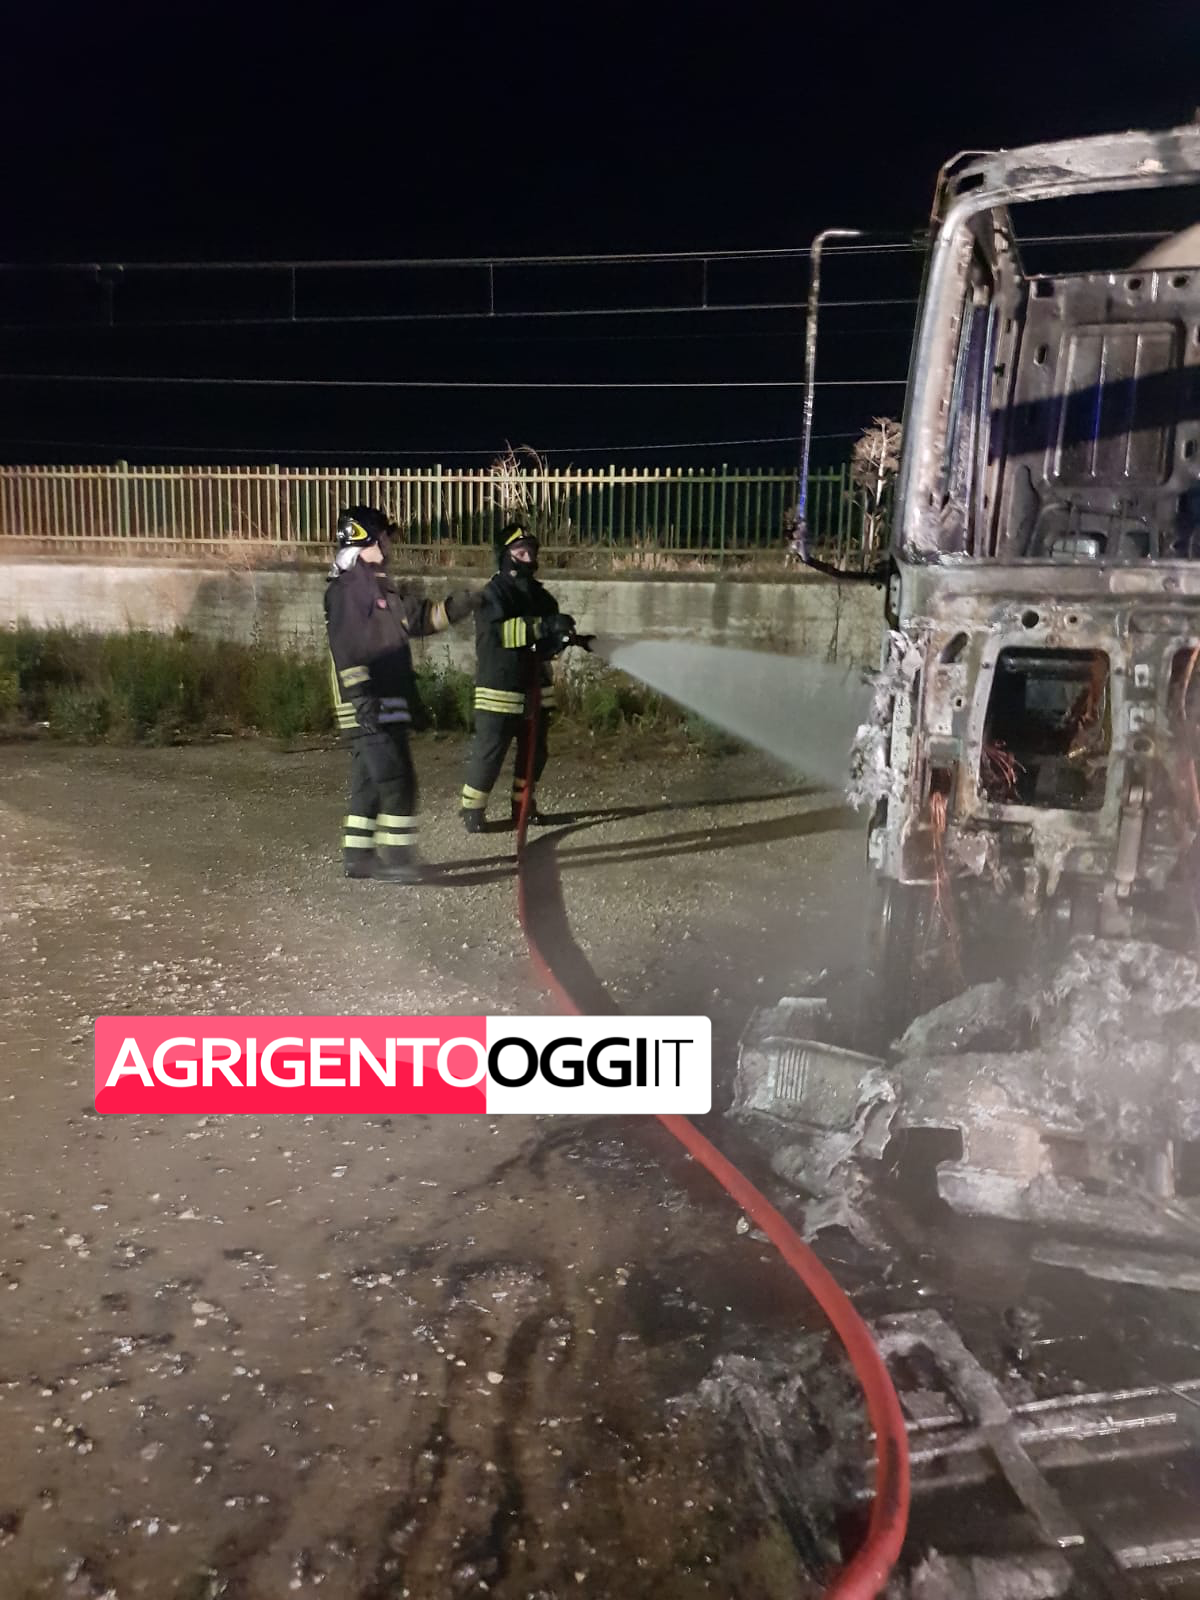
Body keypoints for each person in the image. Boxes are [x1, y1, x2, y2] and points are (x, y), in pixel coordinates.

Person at [325, 505, 478, 882]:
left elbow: (421, 618)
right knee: (397, 779)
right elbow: (348, 648)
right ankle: (398, 860)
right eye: (384, 538)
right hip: (368, 704)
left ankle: (358, 856)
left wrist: (460, 605)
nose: (389, 545)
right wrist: (361, 698)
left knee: (368, 780)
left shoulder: (379, 589)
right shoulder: (348, 590)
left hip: (383, 701)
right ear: (365, 542)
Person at [460, 521, 590, 833]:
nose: (529, 557)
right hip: (499, 689)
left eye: (531, 551)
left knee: (535, 754)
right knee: (490, 753)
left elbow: (542, 645)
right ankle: (472, 810)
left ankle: (523, 807)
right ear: (505, 555)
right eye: (521, 552)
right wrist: (544, 627)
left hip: (535, 690)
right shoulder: (492, 594)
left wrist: (561, 639)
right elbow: (502, 635)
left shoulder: (541, 596)